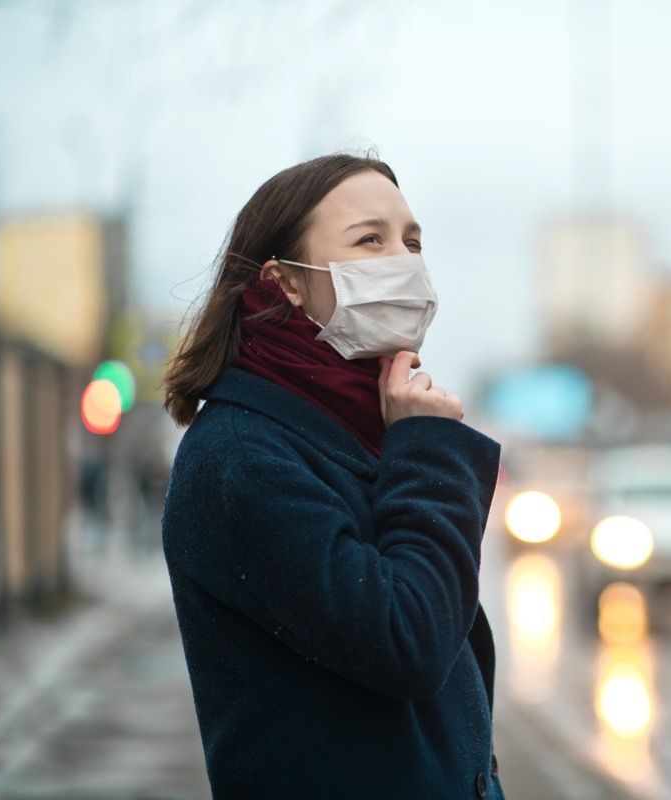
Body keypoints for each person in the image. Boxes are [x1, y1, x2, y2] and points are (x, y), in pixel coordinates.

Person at [160, 153, 505, 799]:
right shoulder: (243, 457)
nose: (404, 262)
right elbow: (408, 640)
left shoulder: (348, 430)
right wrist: (427, 449)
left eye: (413, 241)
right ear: (285, 282)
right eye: (369, 239)